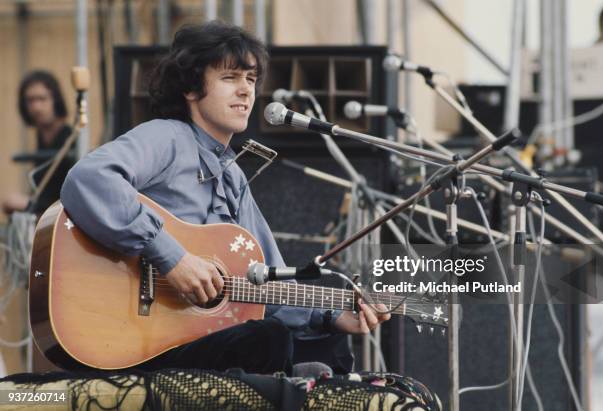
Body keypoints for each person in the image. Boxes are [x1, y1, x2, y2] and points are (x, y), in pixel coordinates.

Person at [60, 21, 390, 374]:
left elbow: (269, 285)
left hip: (200, 338)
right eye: (230, 78)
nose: (246, 91)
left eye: (250, 79)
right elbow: (89, 178)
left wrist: (334, 314)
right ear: (190, 88)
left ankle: (292, 378)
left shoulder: (233, 177)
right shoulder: (166, 138)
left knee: (329, 349)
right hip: (133, 336)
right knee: (269, 339)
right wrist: (172, 257)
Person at [2, 71, 74, 216]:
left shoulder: (70, 140)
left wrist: (28, 203)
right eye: (30, 100)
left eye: (42, 99)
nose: (36, 107)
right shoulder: (41, 137)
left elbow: (69, 199)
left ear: (56, 100)